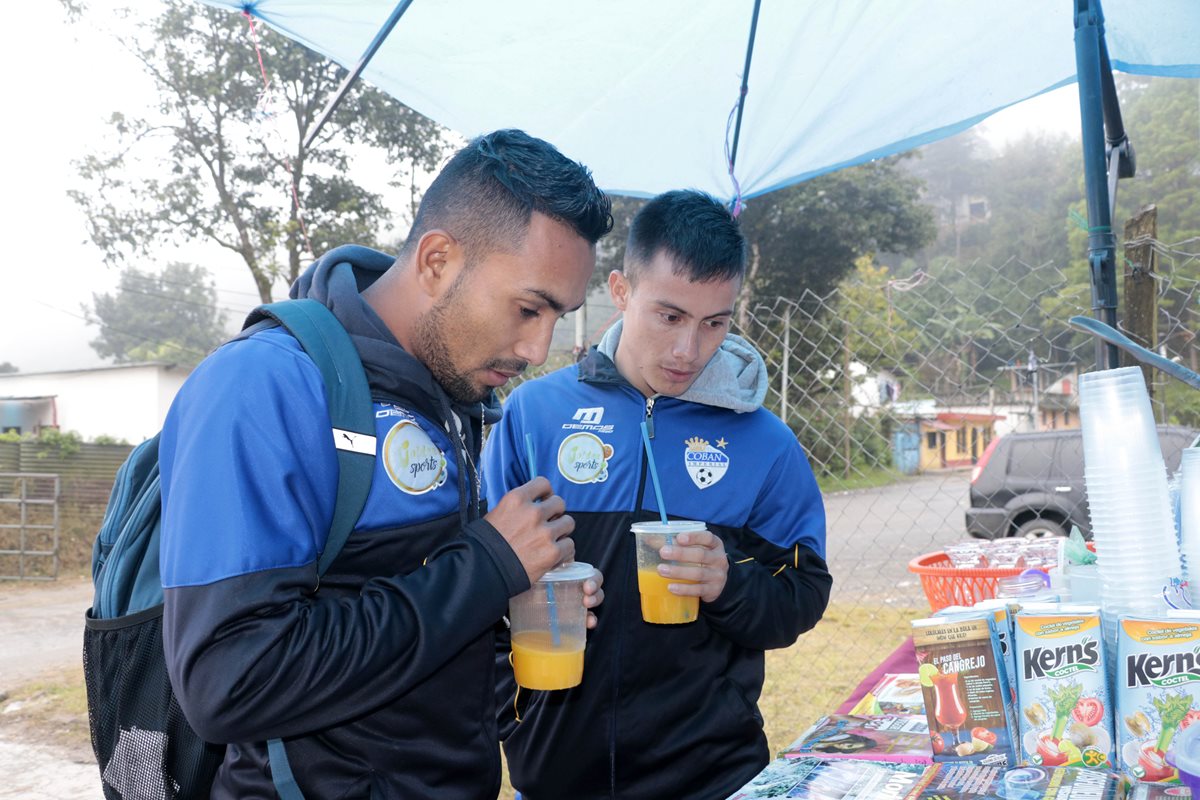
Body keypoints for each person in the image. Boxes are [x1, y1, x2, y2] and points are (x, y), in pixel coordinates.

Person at [158, 129, 612, 799]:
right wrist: (485, 566)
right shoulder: (265, 385)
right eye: (527, 308)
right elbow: (229, 680)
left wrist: (507, 604)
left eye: (559, 316)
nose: (540, 346)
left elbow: (415, 629)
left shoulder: (450, 398)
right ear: (436, 260)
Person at [482, 189, 832, 799]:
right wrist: (512, 712)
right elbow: (474, 579)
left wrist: (730, 582)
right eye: (669, 316)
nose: (688, 350)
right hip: (555, 773)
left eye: (715, 323)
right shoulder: (533, 413)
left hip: (713, 776)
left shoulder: (765, 443)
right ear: (620, 291)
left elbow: (801, 597)